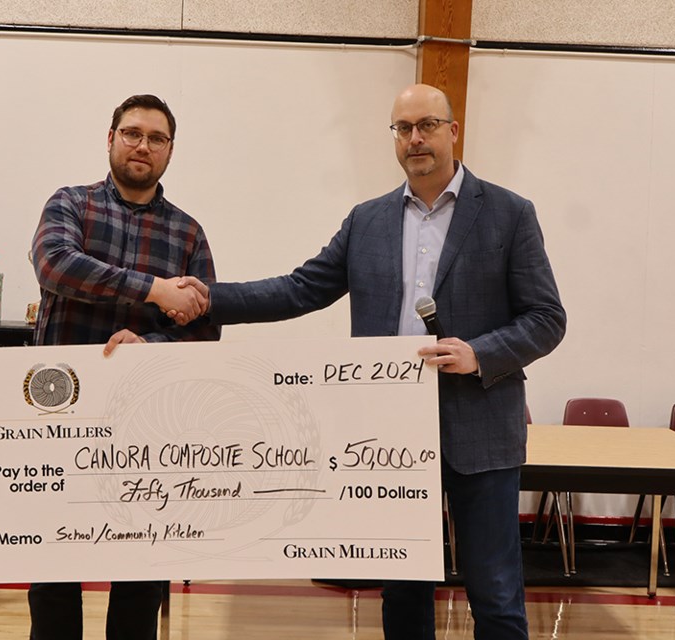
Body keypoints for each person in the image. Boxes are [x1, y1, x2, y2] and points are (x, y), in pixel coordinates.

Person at [172, 84, 566, 639]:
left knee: (496, 594)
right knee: (403, 596)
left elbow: (547, 318)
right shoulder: (368, 220)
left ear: (453, 131)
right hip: (390, 441)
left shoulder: (509, 213)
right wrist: (213, 299)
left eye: (427, 125)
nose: (415, 139)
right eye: (403, 129)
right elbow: (300, 288)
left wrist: (479, 353)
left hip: (481, 433)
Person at [30, 93, 219, 640]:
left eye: (156, 138)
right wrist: (156, 290)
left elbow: (204, 329)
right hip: (58, 417)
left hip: (147, 425)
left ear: (170, 151)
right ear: (110, 139)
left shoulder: (188, 233)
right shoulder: (69, 204)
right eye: (132, 133)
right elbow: (56, 266)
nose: (143, 146)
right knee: (54, 567)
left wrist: (151, 343)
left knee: (140, 572)